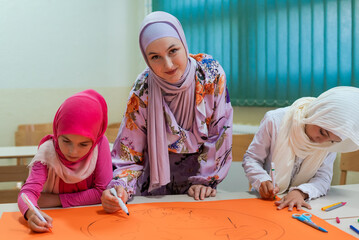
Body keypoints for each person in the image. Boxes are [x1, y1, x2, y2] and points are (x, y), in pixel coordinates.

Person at [101, 11, 233, 213]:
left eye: (173, 51)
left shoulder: (210, 76)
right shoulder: (143, 89)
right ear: (146, 58)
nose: (168, 65)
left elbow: (219, 133)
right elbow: (130, 152)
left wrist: (205, 181)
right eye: (155, 57)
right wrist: (120, 187)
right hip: (153, 191)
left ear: (183, 43)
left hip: (199, 192)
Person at [242, 86, 359, 211]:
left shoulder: (329, 144)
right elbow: (252, 159)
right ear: (316, 113)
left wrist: (300, 192)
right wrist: (262, 180)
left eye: (331, 140)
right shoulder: (275, 121)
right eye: (322, 132)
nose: (322, 142)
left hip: (300, 205)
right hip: (266, 201)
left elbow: (323, 178)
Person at [18, 89, 112, 232]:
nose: (72, 152)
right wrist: (31, 213)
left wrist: (55, 200)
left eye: (83, 144)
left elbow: (103, 191)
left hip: (93, 222)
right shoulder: (47, 152)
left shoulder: (99, 144)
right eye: (66, 141)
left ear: (95, 138)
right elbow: (26, 194)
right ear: (57, 131)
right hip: (57, 224)